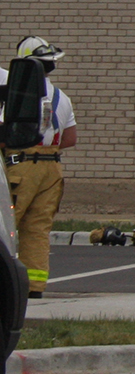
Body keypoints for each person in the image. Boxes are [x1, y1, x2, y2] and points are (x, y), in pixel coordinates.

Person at [5, 37, 77, 298]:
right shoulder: (63, 97)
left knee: (6, 225)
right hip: (52, 170)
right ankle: (34, 287)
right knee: (37, 229)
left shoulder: (19, 94)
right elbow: (70, 139)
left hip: (21, 167)